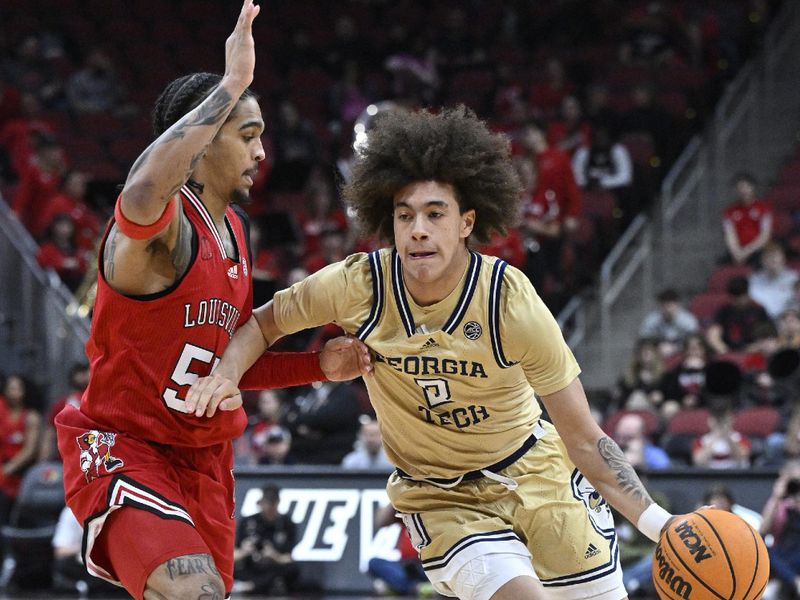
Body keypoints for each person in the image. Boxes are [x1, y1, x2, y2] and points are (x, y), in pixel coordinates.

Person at [188, 105, 679, 600]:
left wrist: (662, 525)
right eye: (405, 216)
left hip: (535, 471)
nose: (417, 229)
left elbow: (585, 439)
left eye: (434, 214)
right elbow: (261, 323)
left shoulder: (508, 301)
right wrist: (226, 373)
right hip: (443, 498)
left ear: (467, 222)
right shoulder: (359, 285)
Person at [53, 3, 371, 598]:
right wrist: (230, 87)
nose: (261, 153)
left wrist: (316, 365)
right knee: (194, 591)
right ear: (199, 145)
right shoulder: (164, 231)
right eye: (247, 136)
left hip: (206, 461)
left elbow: (218, 371)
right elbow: (145, 185)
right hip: (127, 446)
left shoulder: (239, 234)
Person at [232, 484, 299, 595]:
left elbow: (288, 558)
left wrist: (274, 556)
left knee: (292, 570)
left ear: (277, 504)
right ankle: (260, 585)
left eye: (272, 504)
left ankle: (251, 586)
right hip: (250, 566)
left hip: (273, 567)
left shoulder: (287, 523)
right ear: (261, 503)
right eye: (266, 503)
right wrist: (244, 551)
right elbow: (234, 554)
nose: (269, 508)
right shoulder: (248, 522)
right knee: (229, 566)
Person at [722, 172, 773, 266]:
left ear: (753, 187)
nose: (743, 191)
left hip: (758, 251)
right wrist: (736, 252)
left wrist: (746, 251)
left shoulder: (764, 208)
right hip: (738, 252)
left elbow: (764, 236)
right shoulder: (729, 212)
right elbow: (730, 235)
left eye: (746, 187)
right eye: (740, 188)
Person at [638, 288, 699, 357]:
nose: (667, 309)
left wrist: (676, 348)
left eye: (670, 305)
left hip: (683, 353)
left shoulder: (688, 320)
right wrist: (658, 346)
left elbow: (694, 341)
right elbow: (643, 339)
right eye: (664, 306)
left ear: (677, 305)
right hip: (658, 352)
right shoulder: (652, 320)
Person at [749, 241, 799, 320]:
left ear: (783, 258)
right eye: (768, 257)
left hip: (788, 321)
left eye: (775, 256)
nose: (772, 259)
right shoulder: (754, 280)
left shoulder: (794, 278)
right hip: (763, 321)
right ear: (762, 260)